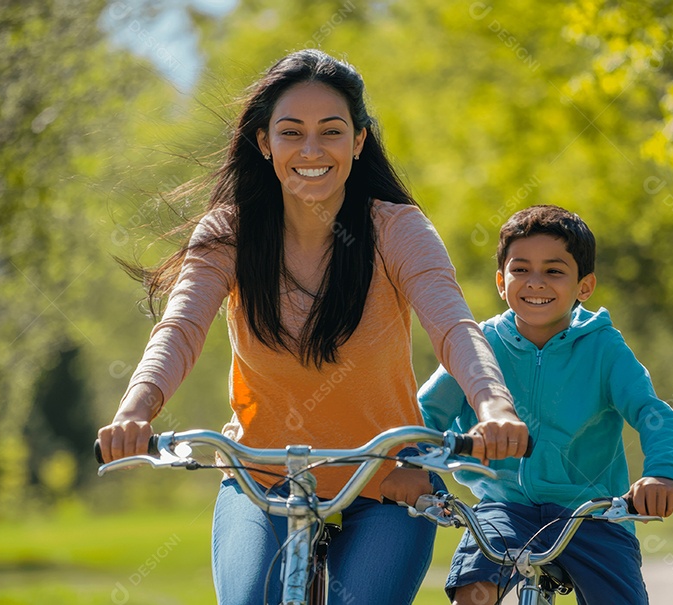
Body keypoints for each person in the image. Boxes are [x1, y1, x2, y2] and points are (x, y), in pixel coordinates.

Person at [96, 50, 528, 605]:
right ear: (264, 143)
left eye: (331, 131)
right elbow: (180, 328)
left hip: (385, 480)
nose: (311, 150)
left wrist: (494, 407)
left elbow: (454, 327)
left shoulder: (397, 229)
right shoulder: (229, 234)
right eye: (291, 132)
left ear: (359, 141)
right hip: (262, 479)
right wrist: (135, 411)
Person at [419, 205, 673, 605]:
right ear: (501, 281)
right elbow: (425, 411)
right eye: (520, 269)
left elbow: (651, 413)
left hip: (591, 514)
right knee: (472, 594)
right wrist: (414, 467)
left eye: (554, 271)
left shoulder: (604, 347)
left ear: (585, 286)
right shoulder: (479, 346)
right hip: (504, 507)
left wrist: (662, 475)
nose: (535, 282)